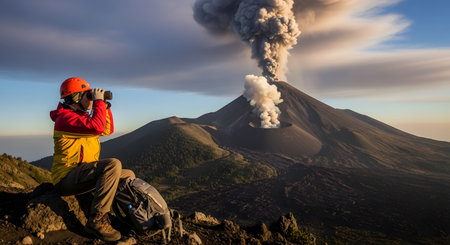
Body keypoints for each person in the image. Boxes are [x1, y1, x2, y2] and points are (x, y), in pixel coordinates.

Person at [50, 77, 135, 242]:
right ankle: (97, 219)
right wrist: (98, 103)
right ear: (75, 97)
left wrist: (104, 105)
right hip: (66, 179)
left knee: (127, 174)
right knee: (113, 165)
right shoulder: (65, 119)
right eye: (86, 95)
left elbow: (106, 129)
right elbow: (97, 126)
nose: (90, 99)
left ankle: (126, 215)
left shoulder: (79, 118)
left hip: (82, 175)